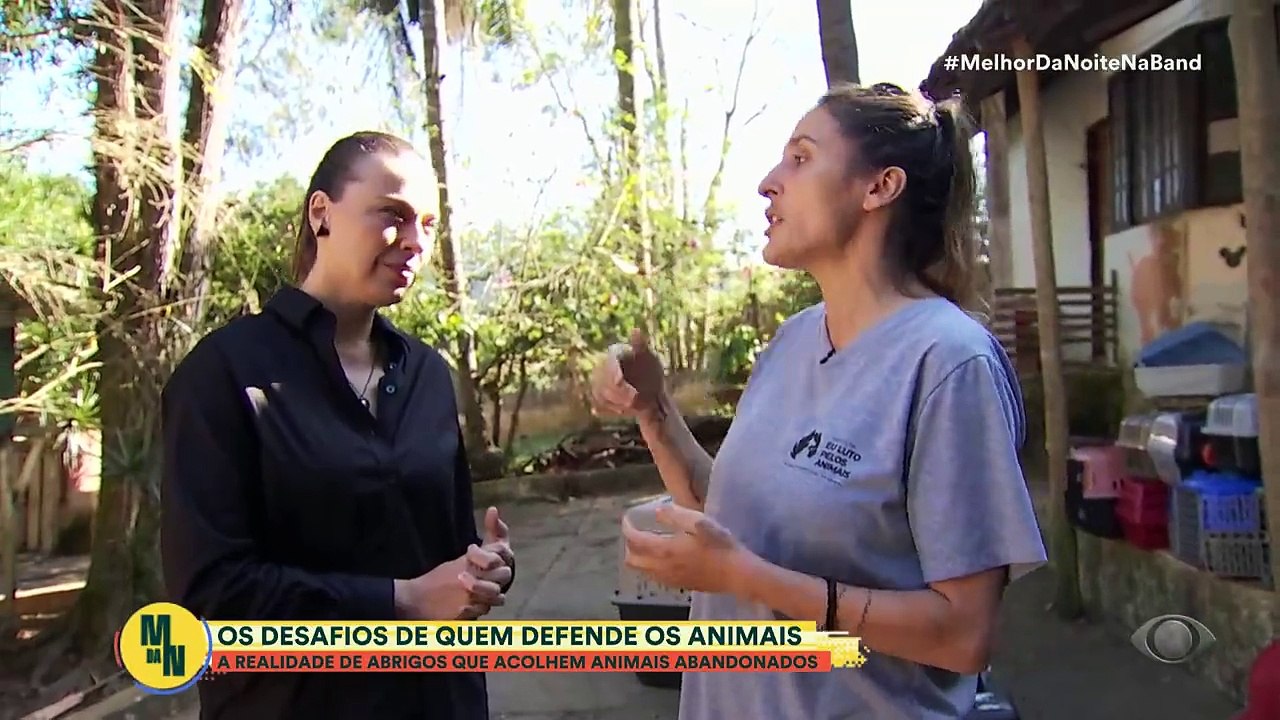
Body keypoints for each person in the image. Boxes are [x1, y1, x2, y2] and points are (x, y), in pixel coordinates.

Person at [591, 83, 1047, 720]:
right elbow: (731, 517)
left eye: (800, 158)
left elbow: (963, 636)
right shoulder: (794, 338)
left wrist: (747, 579)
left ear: (878, 188)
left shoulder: (948, 361)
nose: (768, 183)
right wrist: (655, 410)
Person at [161, 131, 514, 720]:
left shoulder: (428, 375)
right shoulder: (222, 375)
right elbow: (213, 598)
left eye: (428, 224)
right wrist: (398, 602)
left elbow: (448, 553)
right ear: (321, 214)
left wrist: (483, 569)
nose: (415, 242)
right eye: (393, 216)